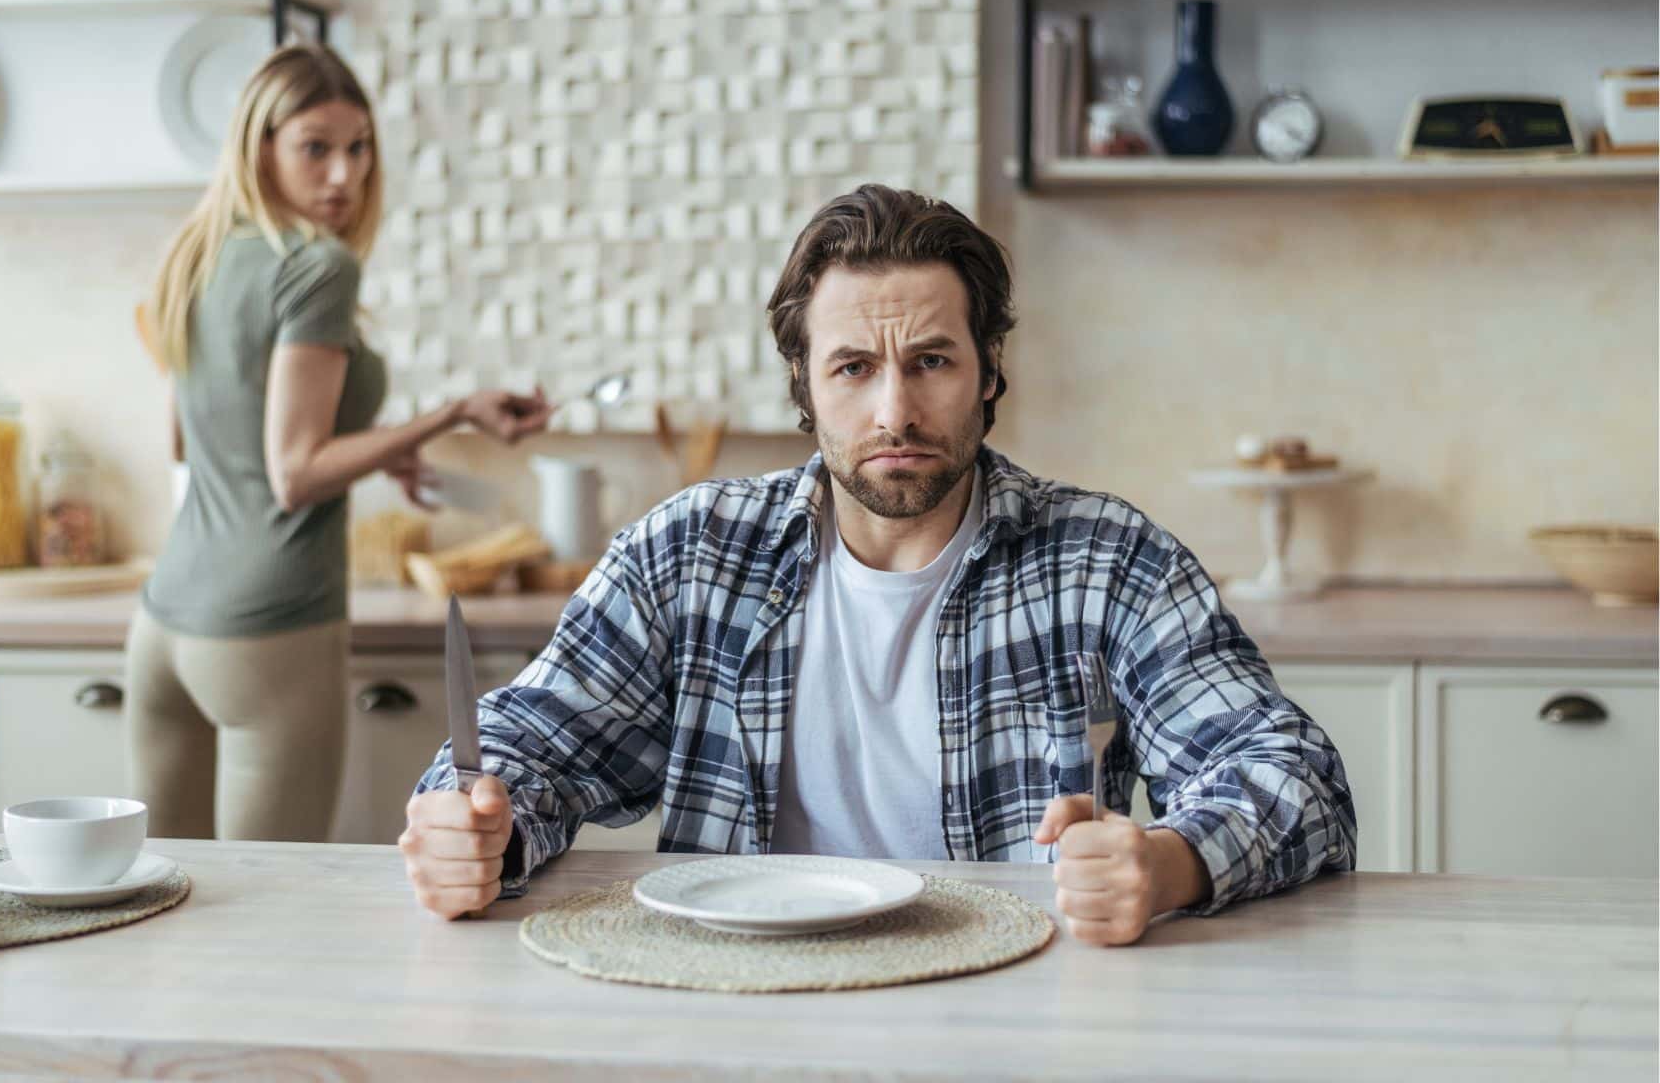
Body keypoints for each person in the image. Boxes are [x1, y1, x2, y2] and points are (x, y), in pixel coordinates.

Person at [399, 184, 1355, 946]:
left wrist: (1169, 861)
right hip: (733, 1006)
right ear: (806, 388)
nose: (895, 411)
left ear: (989, 373)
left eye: (932, 362)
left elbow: (1294, 774)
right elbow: (528, 741)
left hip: (1016, 1016)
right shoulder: (687, 553)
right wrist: (478, 822)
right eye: (854, 367)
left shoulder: (1108, 562)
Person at [127, 44, 551, 842]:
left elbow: (201, 438)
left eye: (358, 149)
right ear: (260, 148)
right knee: (269, 919)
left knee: (158, 910)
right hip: (267, 632)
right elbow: (293, 474)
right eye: (314, 148)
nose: (343, 176)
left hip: (164, 627)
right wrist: (453, 411)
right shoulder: (318, 268)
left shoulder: (200, 251)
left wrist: (380, 448)